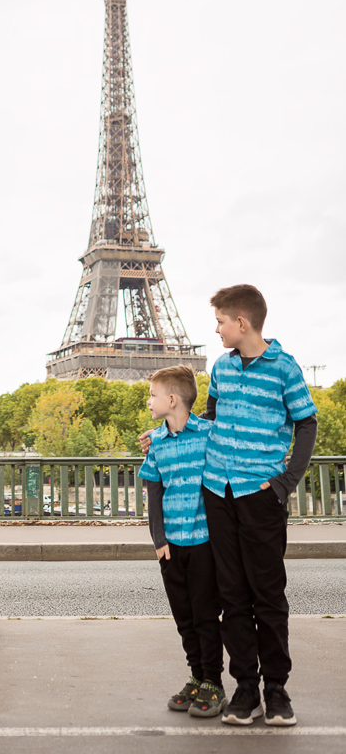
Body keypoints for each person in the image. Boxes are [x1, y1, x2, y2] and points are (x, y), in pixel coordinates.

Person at [202, 284, 317, 727]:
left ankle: (277, 689)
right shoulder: (221, 368)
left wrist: (285, 483)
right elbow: (210, 421)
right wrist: (168, 432)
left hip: (260, 497)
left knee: (268, 596)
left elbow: (306, 423)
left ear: (242, 322)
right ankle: (245, 688)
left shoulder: (285, 368)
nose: (216, 329)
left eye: (220, 321)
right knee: (231, 595)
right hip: (219, 492)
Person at [138, 366, 225, 718]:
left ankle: (213, 682)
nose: (148, 402)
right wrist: (158, 541)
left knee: (206, 615)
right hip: (171, 546)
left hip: (204, 543)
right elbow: (153, 493)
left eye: (153, 395)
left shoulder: (208, 434)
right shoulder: (156, 442)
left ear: (171, 399)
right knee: (184, 616)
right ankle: (197, 674)